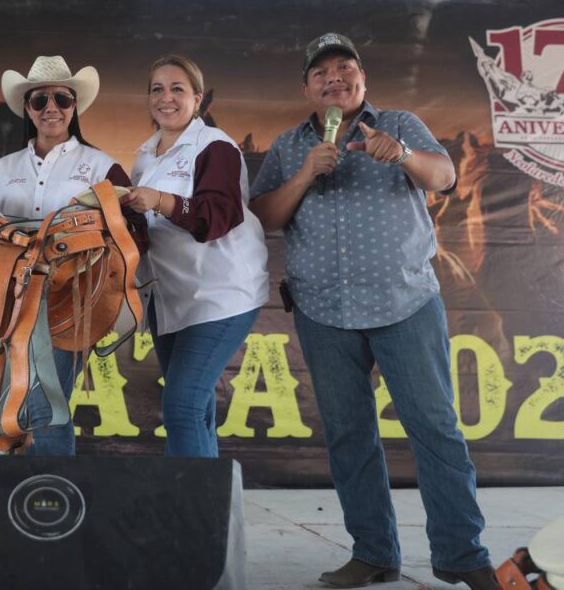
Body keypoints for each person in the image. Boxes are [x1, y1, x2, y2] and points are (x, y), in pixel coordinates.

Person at [248, 33, 498, 590]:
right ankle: (374, 552)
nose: (334, 77)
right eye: (322, 72)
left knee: (435, 428)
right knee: (348, 433)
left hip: (403, 302)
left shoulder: (401, 123)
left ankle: (462, 555)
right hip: (323, 308)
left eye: (345, 67)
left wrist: (403, 154)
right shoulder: (291, 144)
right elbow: (265, 214)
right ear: (307, 87)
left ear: (362, 78)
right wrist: (305, 174)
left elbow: (446, 177)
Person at [0, 54, 147, 455]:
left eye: (62, 99)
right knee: (15, 404)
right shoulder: (1, 170)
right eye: (40, 100)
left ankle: (50, 503)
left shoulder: (102, 166)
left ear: (75, 106)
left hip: (71, 302)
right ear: (27, 107)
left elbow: (136, 234)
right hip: (10, 302)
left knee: (48, 405)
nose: (51, 109)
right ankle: (30, 500)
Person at [120, 54, 269, 458]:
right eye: (157, 89)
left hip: (220, 296)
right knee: (196, 410)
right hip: (172, 299)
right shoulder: (145, 157)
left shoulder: (215, 147)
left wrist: (162, 201)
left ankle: (187, 514)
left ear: (198, 99)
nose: (165, 98)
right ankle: (209, 514)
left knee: (182, 407)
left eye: (177, 89)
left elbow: (217, 218)